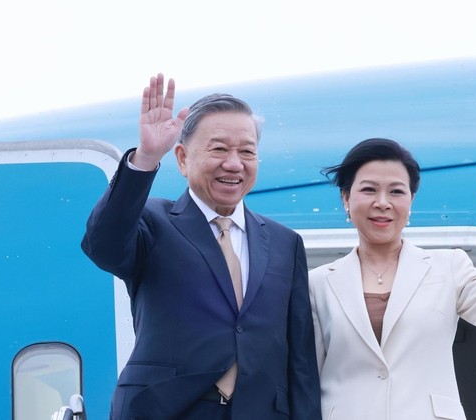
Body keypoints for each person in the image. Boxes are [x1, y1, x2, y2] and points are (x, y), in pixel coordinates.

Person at [81, 74, 321, 420]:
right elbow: (103, 245)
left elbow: (300, 360)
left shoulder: (285, 242)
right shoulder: (153, 221)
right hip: (168, 409)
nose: (234, 163)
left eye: (247, 152)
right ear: (182, 158)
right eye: (219, 149)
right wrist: (146, 157)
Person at [309, 138, 476, 420]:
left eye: (396, 191)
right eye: (369, 190)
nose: (383, 203)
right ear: (346, 198)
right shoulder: (317, 283)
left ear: (411, 200)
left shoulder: (449, 266)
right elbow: (308, 373)